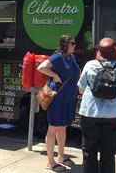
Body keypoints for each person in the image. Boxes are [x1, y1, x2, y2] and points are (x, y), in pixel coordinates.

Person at [77, 37, 116, 173]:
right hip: (112, 115)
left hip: (90, 113)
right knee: (108, 152)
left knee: (89, 151)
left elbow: (81, 89)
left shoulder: (90, 65)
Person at [37, 34, 80, 172]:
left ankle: (61, 156)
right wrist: (54, 75)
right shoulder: (57, 57)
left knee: (63, 127)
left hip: (68, 97)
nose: (74, 45)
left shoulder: (71, 57)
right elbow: (41, 67)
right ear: (65, 45)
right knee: (53, 127)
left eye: (74, 43)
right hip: (58, 97)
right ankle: (50, 161)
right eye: (72, 43)